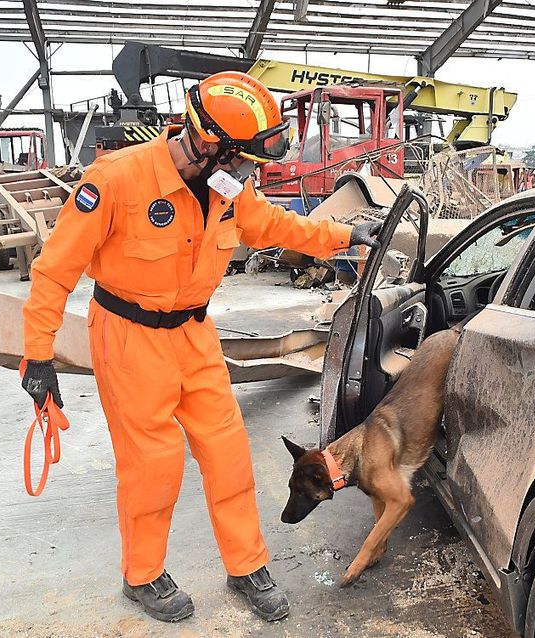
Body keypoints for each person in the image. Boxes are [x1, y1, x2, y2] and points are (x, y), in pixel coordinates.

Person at [19, 71, 381, 623]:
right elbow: (53, 271)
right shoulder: (117, 180)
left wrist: (341, 236)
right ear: (209, 145)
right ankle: (143, 575)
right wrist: (38, 355)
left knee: (229, 454)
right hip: (128, 338)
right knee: (153, 465)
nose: (248, 176)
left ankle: (246, 567)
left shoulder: (227, 188)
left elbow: (271, 226)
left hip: (193, 336)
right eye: (244, 163)